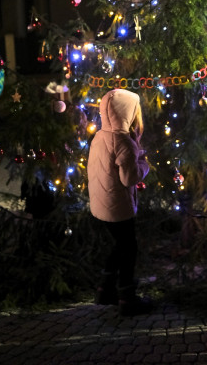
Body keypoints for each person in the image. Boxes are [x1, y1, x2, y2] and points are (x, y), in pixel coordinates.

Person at [87, 88, 152, 315]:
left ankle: (105, 290)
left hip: (101, 202)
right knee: (129, 248)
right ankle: (127, 297)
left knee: (119, 244)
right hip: (118, 206)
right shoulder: (123, 141)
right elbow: (129, 178)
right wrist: (144, 164)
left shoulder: (100, 135)